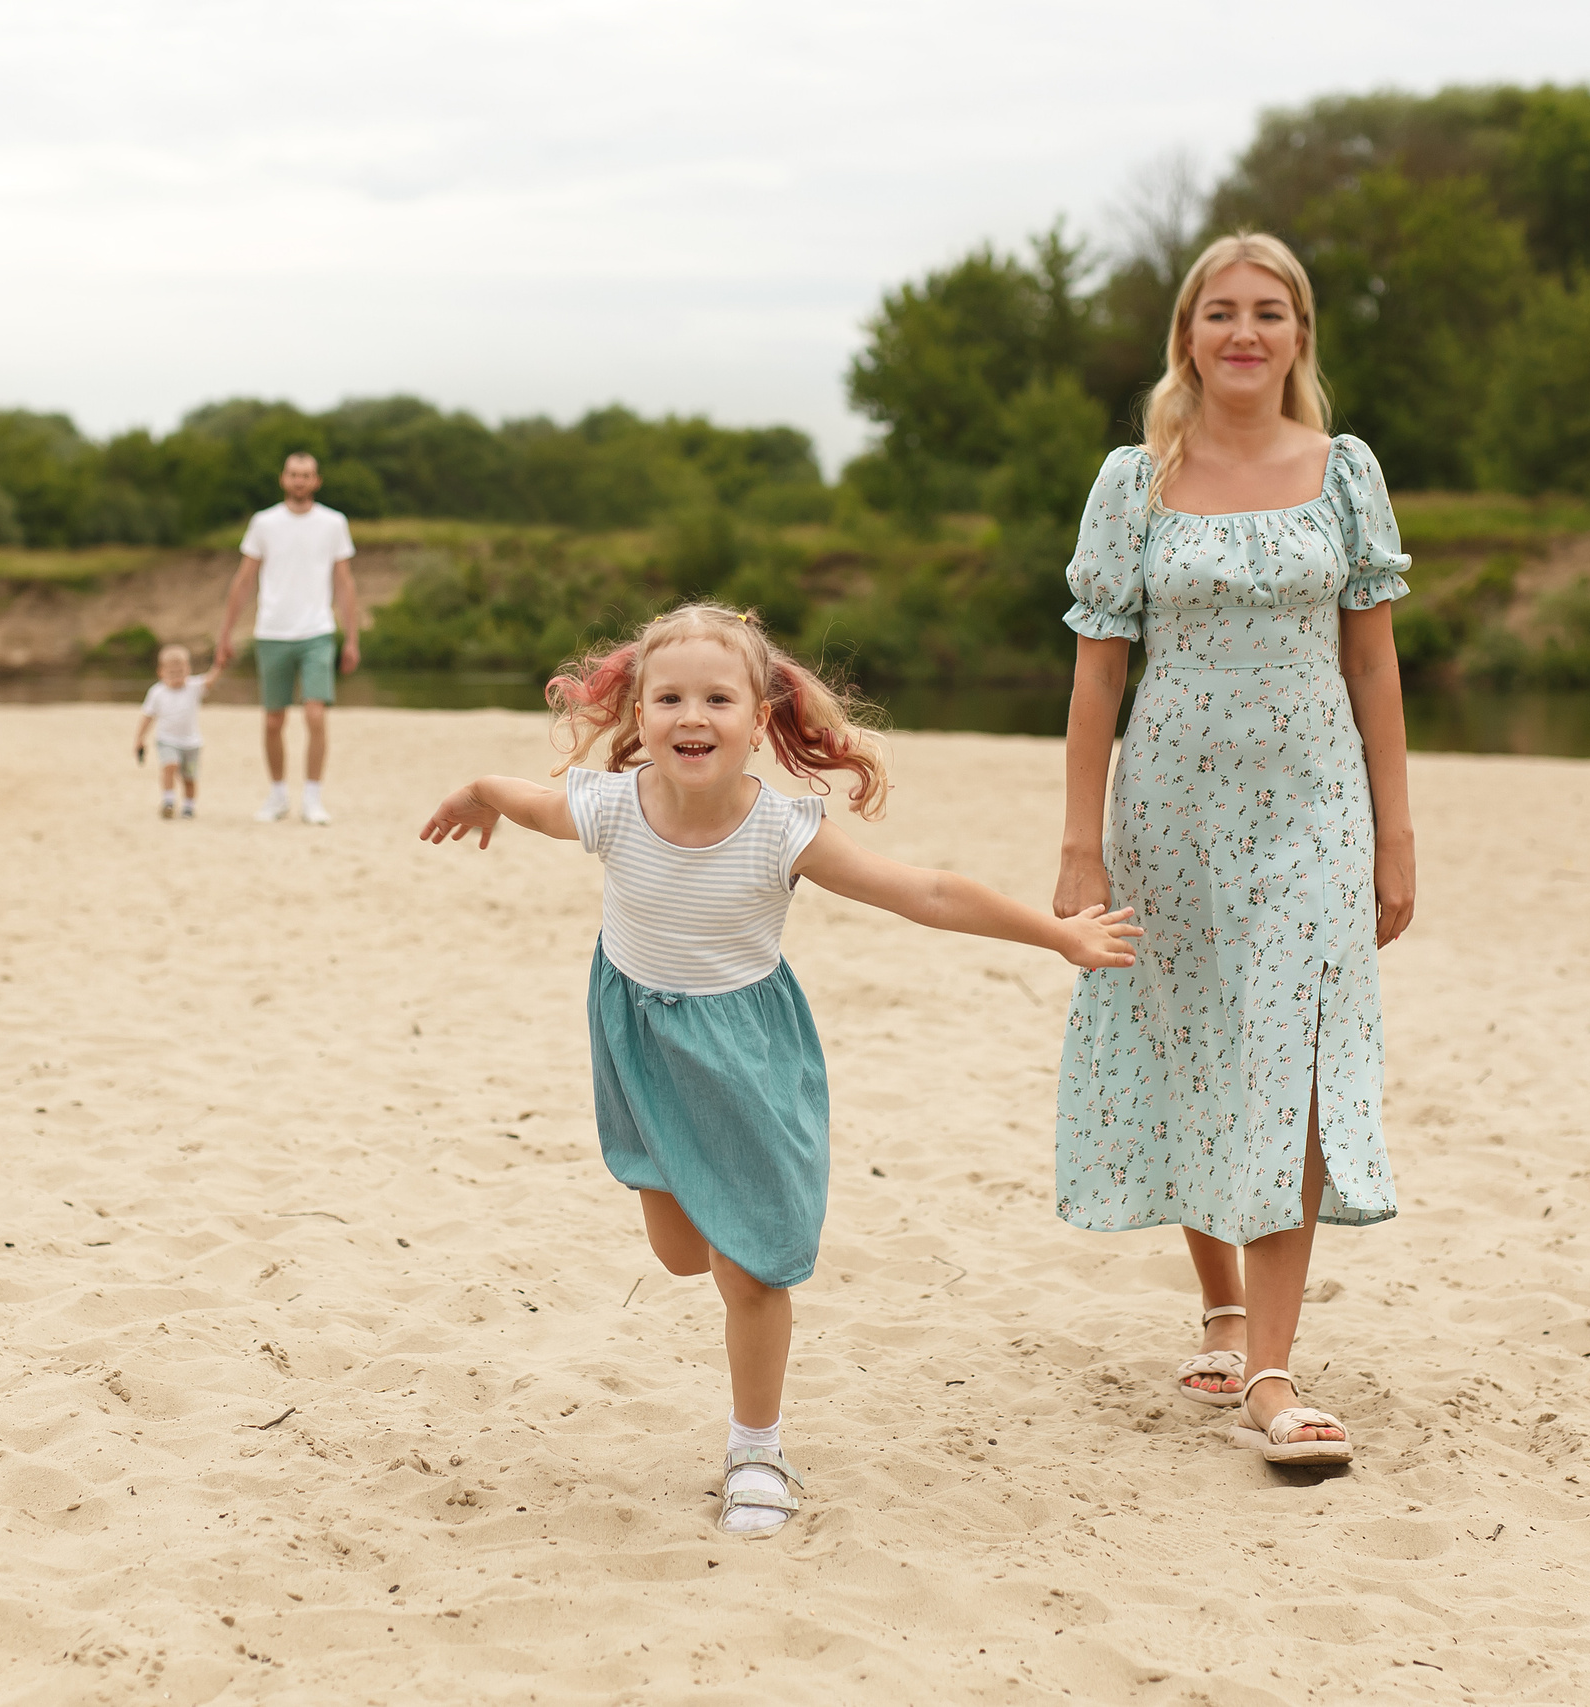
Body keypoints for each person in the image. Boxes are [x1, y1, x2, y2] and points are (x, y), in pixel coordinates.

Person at [420, 602, 1140, 1537]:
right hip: (638, 1045)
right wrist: (478, 787)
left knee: (754, 1270)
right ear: (638, 716)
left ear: (759, 718)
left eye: (718, 697)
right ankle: (703, 1229)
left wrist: (1056, 935)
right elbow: (525, 797)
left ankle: (755, 1449)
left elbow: (923, 890)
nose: (692, 716)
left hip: (747, 1055)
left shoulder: (783, 832)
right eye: (669, 696)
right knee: (680, 1254)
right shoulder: (609, 809)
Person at [1048, 232, 1416, 1469]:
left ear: (1300, 334)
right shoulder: (1132, 480)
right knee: (1193, 1040)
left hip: (1314, 808)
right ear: (1187, 337)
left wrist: (1394, 833)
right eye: (1221, 312)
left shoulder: (1344, 471)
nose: (1244, 332)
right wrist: (1079, 847)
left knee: (1295, 1062)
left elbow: (1371, 658)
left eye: (1269, 311)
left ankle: (1268, 1367)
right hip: (1168, 813)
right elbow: (1098, 676)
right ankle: (1217, 1303)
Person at [214, 452, 360, 825]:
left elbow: (344, 583)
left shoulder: (333, 523)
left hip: (317, 631)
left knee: (315, 714)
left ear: (316, 481)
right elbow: (244, 579)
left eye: (306, 475)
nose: (300, 481)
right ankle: (278, 795)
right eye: (294, 474)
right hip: (272, 631)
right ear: (283, 479)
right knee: (273, 720)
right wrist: (226, 633)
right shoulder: (264, 523)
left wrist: (352, 638)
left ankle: (312, 797)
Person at [133, 642, 222, 819]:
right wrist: (139, 738)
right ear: (161, 672)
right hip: (167, 739)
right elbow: (148, 717)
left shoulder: (193, 687)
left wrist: (219, 664)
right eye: (171, 673)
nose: (176, 677)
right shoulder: (157, 692)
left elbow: (210, 680)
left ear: (188, 669)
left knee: (190, 777)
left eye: (180, 672)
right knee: (169, 765)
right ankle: (168, 801)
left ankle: (189, 806)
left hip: (192, 742)